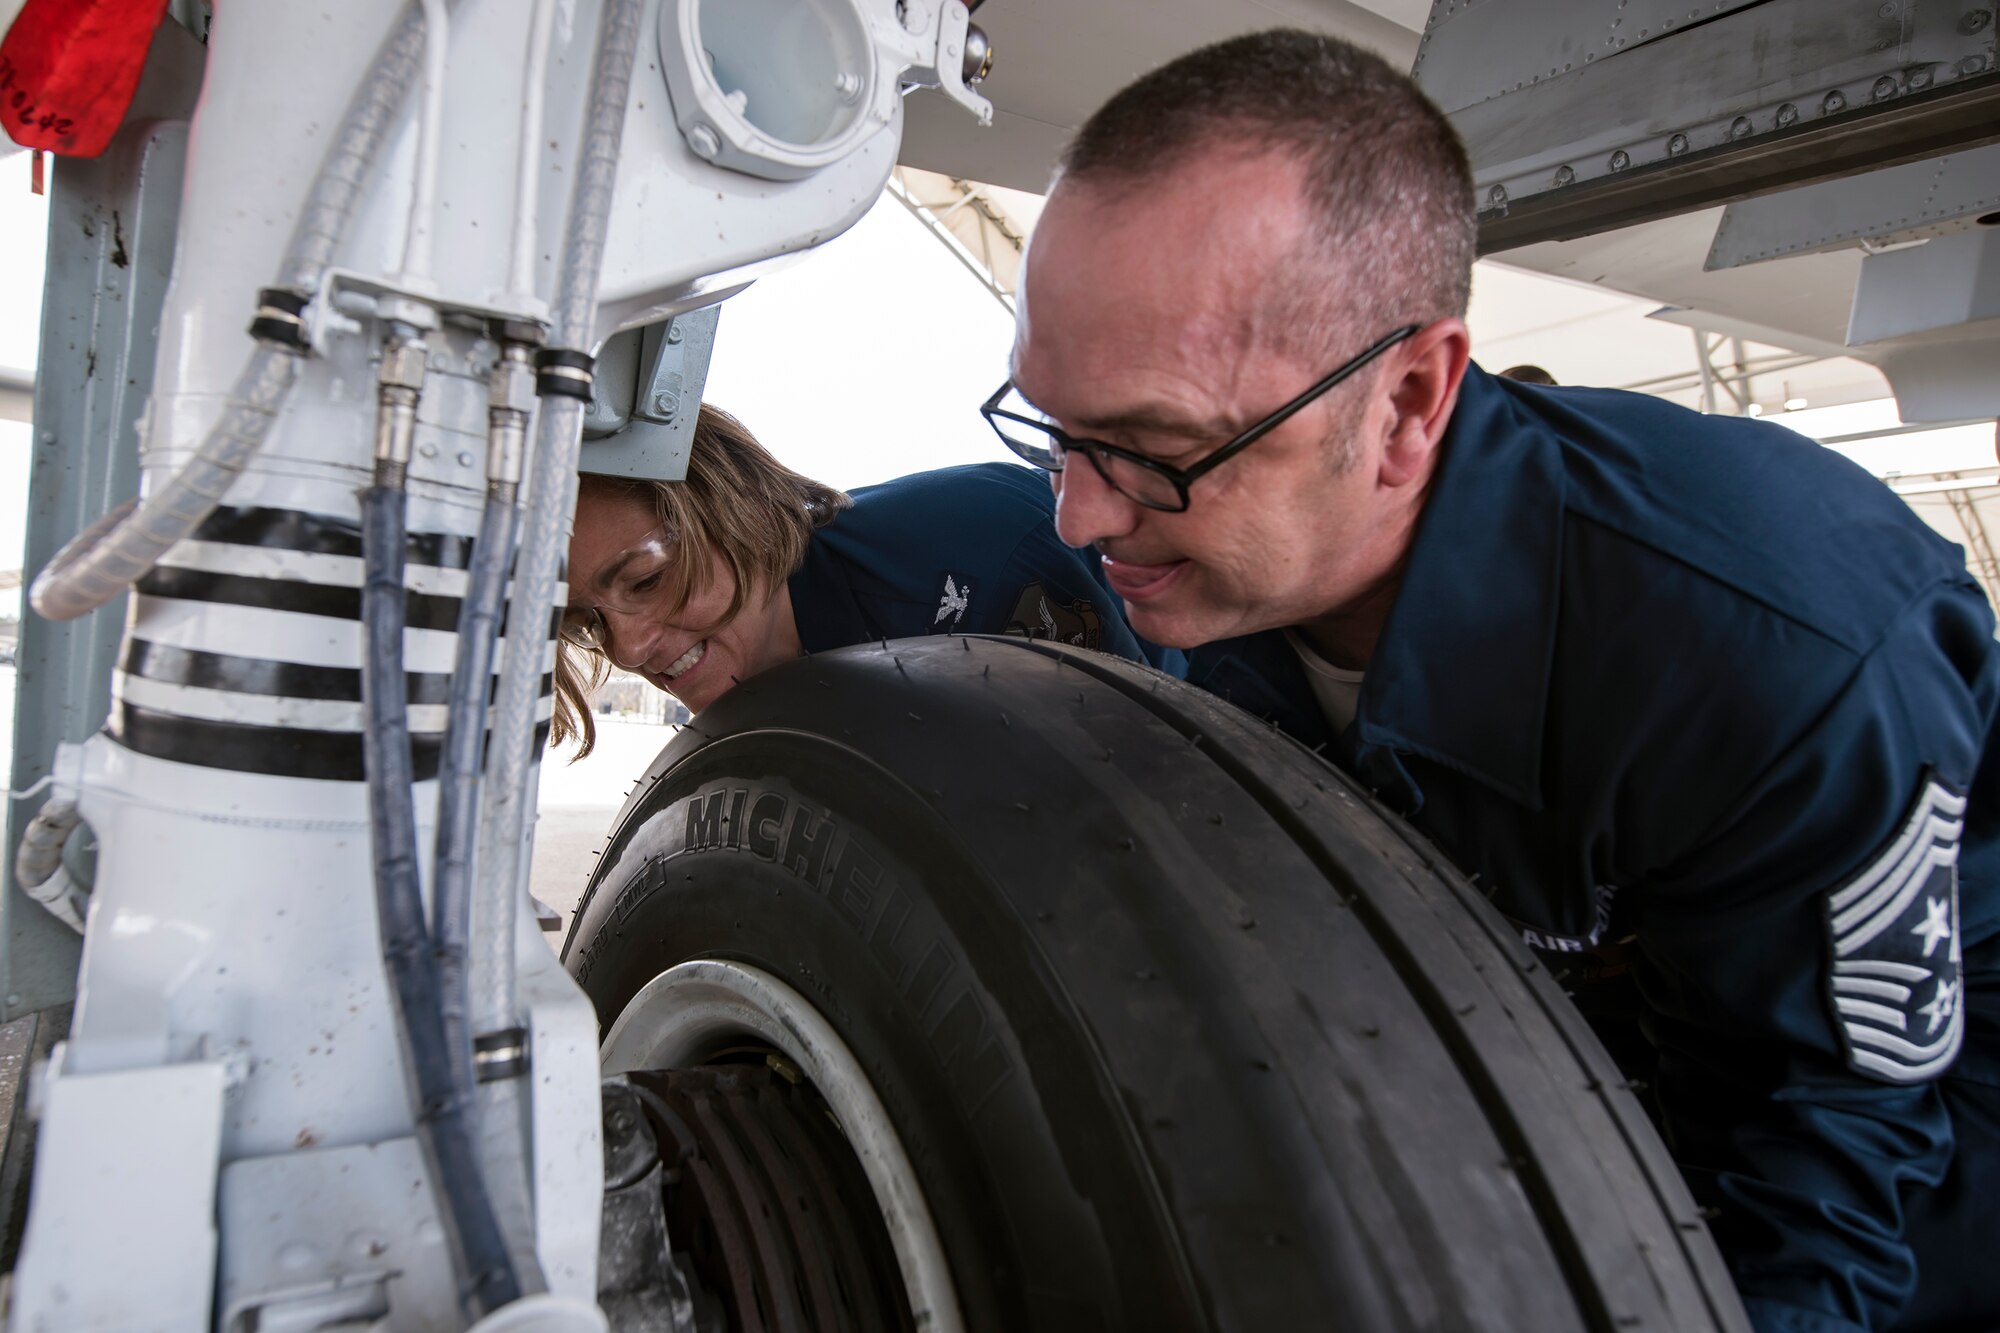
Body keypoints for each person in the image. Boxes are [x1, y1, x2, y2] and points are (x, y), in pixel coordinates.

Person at [988, 29, 1996, 1333]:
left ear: (1410, 399)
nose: (1076, 516)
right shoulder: (1208, 565)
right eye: (1053, 431)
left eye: (1149, 449)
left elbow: (1824, 1175)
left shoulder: (1765, 644)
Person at [554, 403, 1175, 755]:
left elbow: (1158, 785)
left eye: (645, 581)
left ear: (739, 507)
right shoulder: (745, 720)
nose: (627, 649)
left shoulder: (978, 556)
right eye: (588, 620)